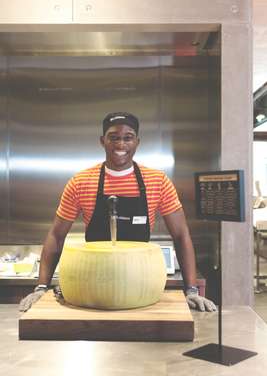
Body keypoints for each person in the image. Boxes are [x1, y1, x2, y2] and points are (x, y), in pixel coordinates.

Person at [19, 112, 216, 312]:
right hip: (92, 282)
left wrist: (191, 289)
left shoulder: (157, 181)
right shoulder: (81, 182)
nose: (120, 144)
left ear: (137, 142)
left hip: (140, 281)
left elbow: (181, 235)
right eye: (113, 137)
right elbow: (56, 235)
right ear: (102, 141)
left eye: (128, 137)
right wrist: (41, 287)